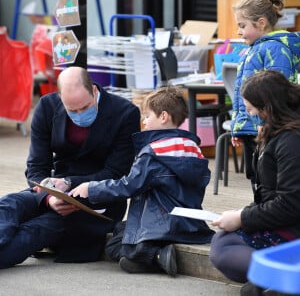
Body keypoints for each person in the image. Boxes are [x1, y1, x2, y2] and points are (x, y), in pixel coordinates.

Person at [0, 66, 141, 268]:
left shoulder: (125, 114)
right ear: (60, 98)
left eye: (84, 107)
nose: (79, 114)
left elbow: (116, 173)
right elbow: (36, 167)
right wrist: (48, 197)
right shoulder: (47, 107)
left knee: (38, 228)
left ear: (94, 90)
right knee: (9, 203)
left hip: (97, 200)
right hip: (53, 191)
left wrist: (69, 183)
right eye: (71, 110)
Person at [69, 86, 215, 276]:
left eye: (147, 116)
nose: (144, 121)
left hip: (159, 224)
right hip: (190, 224)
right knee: (122, 229)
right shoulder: (194, 148)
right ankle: (157, 256)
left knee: (118, 246)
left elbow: (129, 186)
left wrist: (92, 188)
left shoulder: (153, 152)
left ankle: (157, 254)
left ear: (163, 117)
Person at [209, 70, 300, 296]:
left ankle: (279, 278)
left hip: (292, 224)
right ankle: (272, 282)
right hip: (286, 218)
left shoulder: (290, 140)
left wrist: (242, 217)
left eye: (250, 110)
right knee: (224, 240)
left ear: (267, 108)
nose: (249, 115)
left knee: (224, 248)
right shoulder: (281, 130)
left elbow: (290, 203)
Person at [230, 0, 300, 193]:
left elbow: (275, 93)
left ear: (261, 23)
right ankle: (259, 216)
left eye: (242, 25)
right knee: (256, 176)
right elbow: (241, 93)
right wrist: (239, 125)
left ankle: (267, 218)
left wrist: (266, 124)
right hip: (251, 127)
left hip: (265, 128)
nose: (238, 31)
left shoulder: (275, 48)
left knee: (268, 178)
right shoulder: (252, 49)